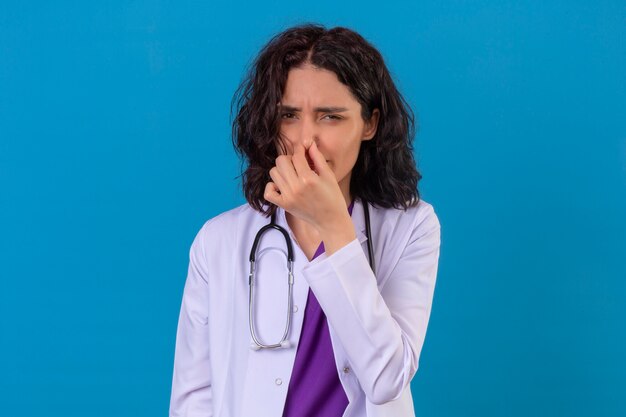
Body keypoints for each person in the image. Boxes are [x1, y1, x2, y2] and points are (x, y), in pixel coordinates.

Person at [169, 23, 441, 417]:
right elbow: (193, 398)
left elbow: (386, 378)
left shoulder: (412, 227)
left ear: (370, 124)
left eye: (331, 117)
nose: (306, 140)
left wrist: (334, 228)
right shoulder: (220, 241)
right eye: (289, 115)